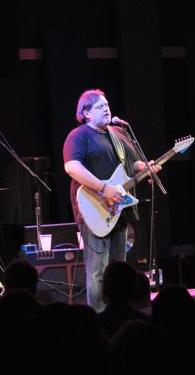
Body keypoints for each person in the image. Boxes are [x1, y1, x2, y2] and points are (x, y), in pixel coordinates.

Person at [63, 89, 160, 312]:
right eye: (100, 106)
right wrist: (104, 188)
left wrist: (147, 167)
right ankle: (98, 317)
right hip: (94, 208)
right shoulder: (79, 136)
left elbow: (131, 165)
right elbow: (72, 167)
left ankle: (120, 313)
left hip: (118, 209)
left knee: (120, 268)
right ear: (86, 113)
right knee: (98, 270)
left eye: (107, 105)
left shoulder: (118, 133)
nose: (106, 109)